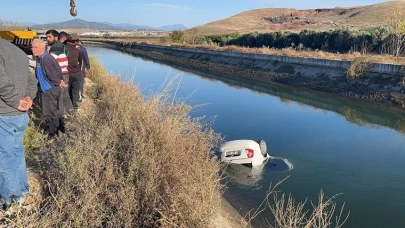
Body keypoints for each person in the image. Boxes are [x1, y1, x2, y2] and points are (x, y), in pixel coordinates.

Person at [0, 38, 37, 208]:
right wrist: (29, 98)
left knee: (4, 157)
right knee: (16, 153)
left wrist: (16, 101)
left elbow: (2, 84)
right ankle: (22, 190)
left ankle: (10, 198)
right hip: (20, 115)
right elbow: (32, 80)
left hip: (5, 114)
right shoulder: (18, 51)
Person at [31, 39, 67, 138]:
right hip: (48, 88)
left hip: (50, 89)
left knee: (49, 112)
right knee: (54, 110)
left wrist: (58, 82)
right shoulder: (42, 57)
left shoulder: (46, 59)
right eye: (32, 47)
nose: (32, 49)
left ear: (42, 48)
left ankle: (53, 133)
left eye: (35, 47)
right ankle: (60, 128)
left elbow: (54, 75)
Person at [46, 29, 73, 115]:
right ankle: (71, 112)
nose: (47, 39)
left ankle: (60, 118)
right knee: (65, 94)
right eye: (47, 37)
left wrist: (47, 51)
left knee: (59, 96)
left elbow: (50, 63)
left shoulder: (54, 48)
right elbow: (68, 55)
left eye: (49, 37)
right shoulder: (63, 46)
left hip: (58, 75)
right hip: (65, 73)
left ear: (56, 37)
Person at [65, 33, 82, 109]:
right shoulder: (78, 50)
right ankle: (75, 107)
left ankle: (67, 109)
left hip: (66, 74)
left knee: (66, 92)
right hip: (76, 73)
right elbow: (81, 62)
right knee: (75, 91)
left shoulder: (63, 49)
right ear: (75, 41)